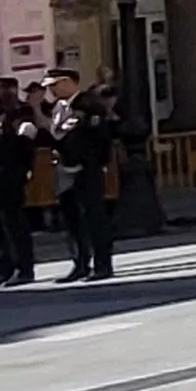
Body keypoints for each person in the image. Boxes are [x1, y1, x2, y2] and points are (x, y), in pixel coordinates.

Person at [39, 70, 114, 282]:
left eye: (54, 85)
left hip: (86, 169)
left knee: (93, 217)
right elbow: (57, 134)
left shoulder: (88, 105)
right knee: (72, 220)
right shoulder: (59, 107)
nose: (51, 90)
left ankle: (102, 264)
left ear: (68, 82)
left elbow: (97, 138)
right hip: (65, 168)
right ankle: (80, 263)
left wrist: (93, 163)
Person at [0, 77, 35, 287]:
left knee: (13, 222)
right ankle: (3, 267)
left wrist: (23, 170)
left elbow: (23, 144)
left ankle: (24, 267)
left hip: (8, 174)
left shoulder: (15, 111)